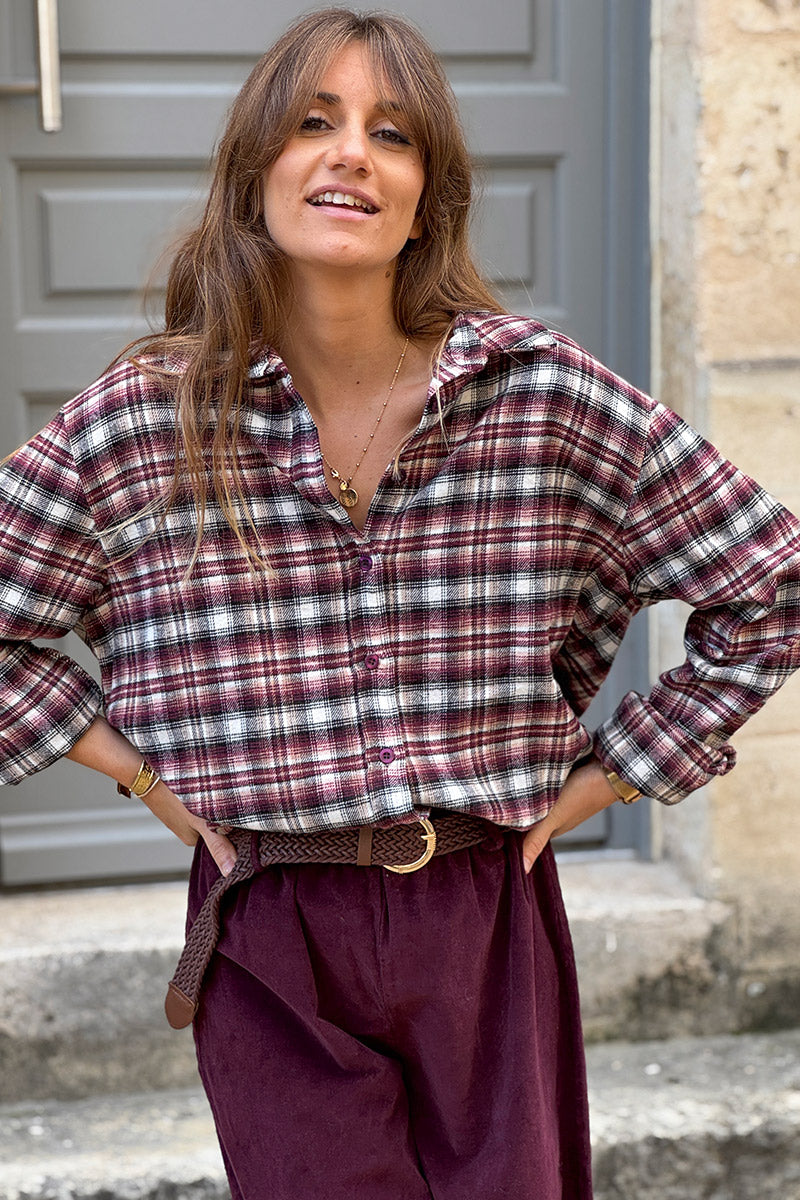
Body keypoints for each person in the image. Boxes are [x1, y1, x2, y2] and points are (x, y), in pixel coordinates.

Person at [1, 7, 799, 1198]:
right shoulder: (141, 424)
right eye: (313, 123)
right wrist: (147, 780)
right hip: (267, 915)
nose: (349, 155)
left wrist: (612, 776)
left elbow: (769, 588)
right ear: (252, 172)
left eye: (391, 133)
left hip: (482, 907)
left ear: (425, 196)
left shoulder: (540, 398)